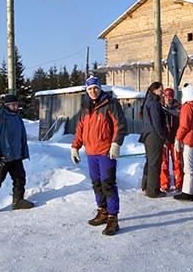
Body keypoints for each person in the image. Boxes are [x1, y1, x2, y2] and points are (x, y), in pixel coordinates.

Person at [71, 76, 128, 236]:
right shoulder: (86, 107)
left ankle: (113, 218)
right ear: (87, 91)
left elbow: (121, 125)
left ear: (100, 88)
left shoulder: (111, 104)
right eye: (89, 89)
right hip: (91, 152)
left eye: (95, 88)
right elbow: (80, 128)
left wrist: (116, 144)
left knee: (108, 184)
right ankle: (102, 211)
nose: (93, 91)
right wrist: (75, 147)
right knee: (96, 184)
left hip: (106, 152)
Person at [0, 93, 34, 212]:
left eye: (16, 105)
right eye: (13, 105)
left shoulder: (17, 117)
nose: (15, 107)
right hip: (2, 156)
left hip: (16, 155)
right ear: (7, 105)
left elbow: (21, 136)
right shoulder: (1, 117)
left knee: (20, 178)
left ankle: (17, 201)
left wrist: (22, 151)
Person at [173, 83, 193, 202]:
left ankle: (187, 193)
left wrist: (177, 138)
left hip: (189, 139)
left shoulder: (187, 106)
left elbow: (184, 125)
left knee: (188, 167)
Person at [140, 81, 168, 198]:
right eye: (161, 90)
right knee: (155, 163)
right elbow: (156, 122)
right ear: (155, 90)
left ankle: (146, 186)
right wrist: (162, 135)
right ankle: (153, 191)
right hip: (154, 136)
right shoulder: (155, 103)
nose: (162, 93)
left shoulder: (148, 101)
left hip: (148, 135)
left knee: (150, 161)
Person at [160, 87, 183, 193]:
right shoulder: (160, 107)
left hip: (175, 139)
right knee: (164, 163)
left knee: (177, 162)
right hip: (164, 139)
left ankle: (179, 184)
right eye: (166, 97)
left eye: (170, 97)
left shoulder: (179, 108)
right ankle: (164, 185)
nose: (168, 99)